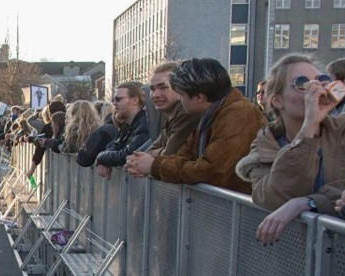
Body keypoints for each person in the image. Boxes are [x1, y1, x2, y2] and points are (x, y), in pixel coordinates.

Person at [234, 54, 345, 244]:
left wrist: (307, 202)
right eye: (302, 84)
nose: (315, 89)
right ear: (277, 100)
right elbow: (272, 197)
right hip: (289, 255)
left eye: (321, 81)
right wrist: (309, 126)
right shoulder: (265, 144)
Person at [124, 57, 265, 192]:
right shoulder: (211, 115)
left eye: (182, 95)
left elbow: (211, 171)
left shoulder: (238, 115)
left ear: (199, 97)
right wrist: (154, 164)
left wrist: (154, 166)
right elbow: (184, 155)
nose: (180, 99)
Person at [137, 62, 202, 158]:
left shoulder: (186, 112)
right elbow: (149, 151)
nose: (156, 95)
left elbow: (168, 155)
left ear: (181, 87)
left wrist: (157, 153)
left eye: (163, 87)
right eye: (153, 89)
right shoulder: (169, 115)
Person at [94, 82, 150, 177]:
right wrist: (103, 158)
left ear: (135, 100)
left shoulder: (145, 124)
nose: (114, 103)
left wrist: (100, 157)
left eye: (118, 99)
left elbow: (127, 155)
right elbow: (113, 146)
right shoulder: (127, 125)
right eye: (113, 99)